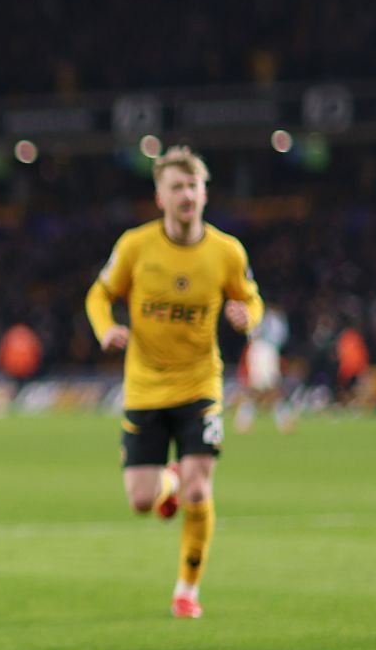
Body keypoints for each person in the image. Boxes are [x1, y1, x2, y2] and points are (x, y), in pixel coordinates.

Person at [85, 146, 263, 619]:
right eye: (177, 187)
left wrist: (247, 315)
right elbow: (99, 295)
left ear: (205, 193)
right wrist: (105, 329)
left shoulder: (226, 251)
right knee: (142, 501)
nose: (187, 194)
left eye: (194, 186)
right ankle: (167, 482)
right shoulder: (136, 246)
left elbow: (252, 298)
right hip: (144, 386)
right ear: (159, 197)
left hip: (200, 385)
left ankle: (187, 589)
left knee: (199, 490)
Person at [234, 307, 294, 434]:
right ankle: (244, 421)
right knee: (258, 390)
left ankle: (283, 421)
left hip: (267, 351)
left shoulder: (267, 316)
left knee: (271, 389)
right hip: (261, 351)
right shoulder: (267, 316)